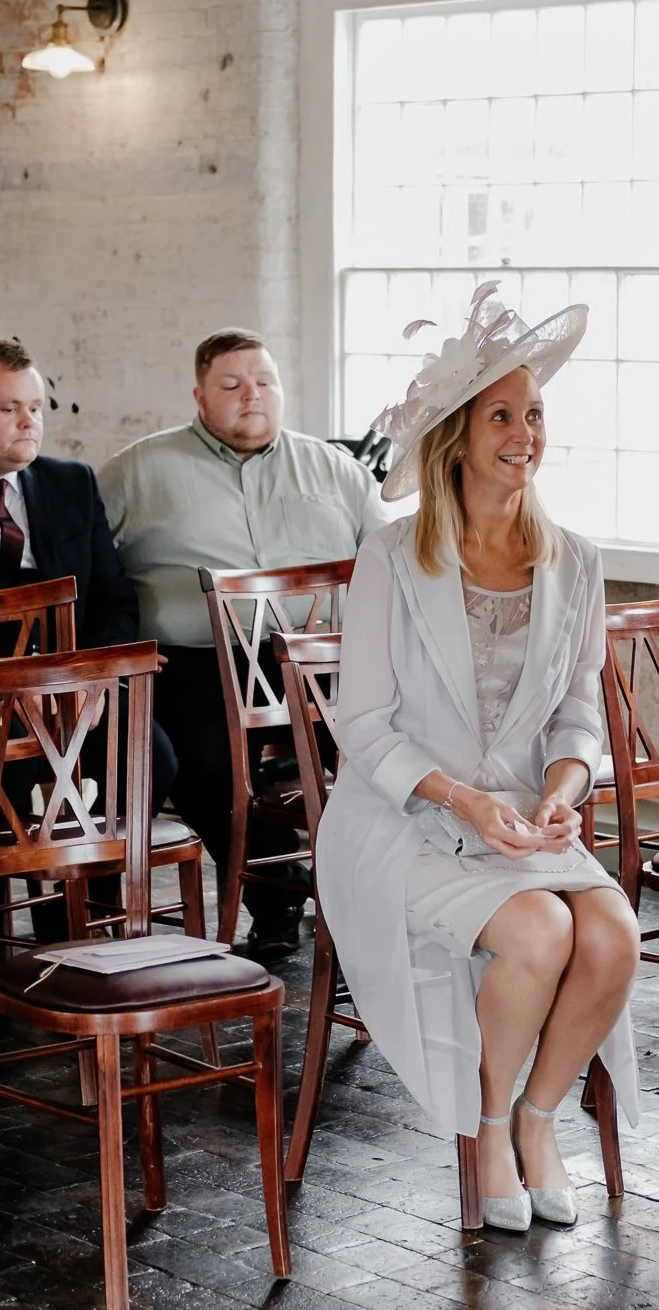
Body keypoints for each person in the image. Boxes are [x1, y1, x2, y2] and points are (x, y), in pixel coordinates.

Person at [317, 284, 640, 1232]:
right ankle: (491, 1129)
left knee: (613, 936)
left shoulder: (576, 561)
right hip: (405, 822)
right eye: (502, 415)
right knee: (540, 931)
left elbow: (578, 710)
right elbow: (362, 722)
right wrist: (463, 800)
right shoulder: (390, 557)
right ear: (457, 434)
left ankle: (541, 1116)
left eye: (534, 413)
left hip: (524, 819)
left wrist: (564, 788)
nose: (524, 433)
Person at [99, 328, 385, 955]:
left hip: (321, 660)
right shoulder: (137, 471)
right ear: (200, 396)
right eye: (231, 385)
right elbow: (91, 562)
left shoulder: (337, 471)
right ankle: (279, 894)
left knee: (384, 759)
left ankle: (387, 902)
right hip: (198, 663)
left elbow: (390, 563)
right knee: (204, 769)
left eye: (264, 382)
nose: (251, 395)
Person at [0, 339, 176, 933]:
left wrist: (92, 679)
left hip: (77, 692)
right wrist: (11, 689)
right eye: (9, 408)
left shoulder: (73, 484)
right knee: (4, 786)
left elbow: (114, 599)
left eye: (37, 408)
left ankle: (88, 912)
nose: (29, 422)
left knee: (152, 756)